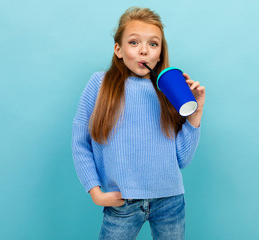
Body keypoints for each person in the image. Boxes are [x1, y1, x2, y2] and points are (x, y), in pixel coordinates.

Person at [72, 6, 205, 240]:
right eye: (134, 43)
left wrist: (196, 110)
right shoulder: (99, 83)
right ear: (118, 50)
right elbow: (80, 142)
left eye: (153, 44)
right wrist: (95, 192)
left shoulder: (168, 91)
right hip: (122, 202)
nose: (144, 50)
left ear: (161, 53)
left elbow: (182, 159)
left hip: (170, 201)